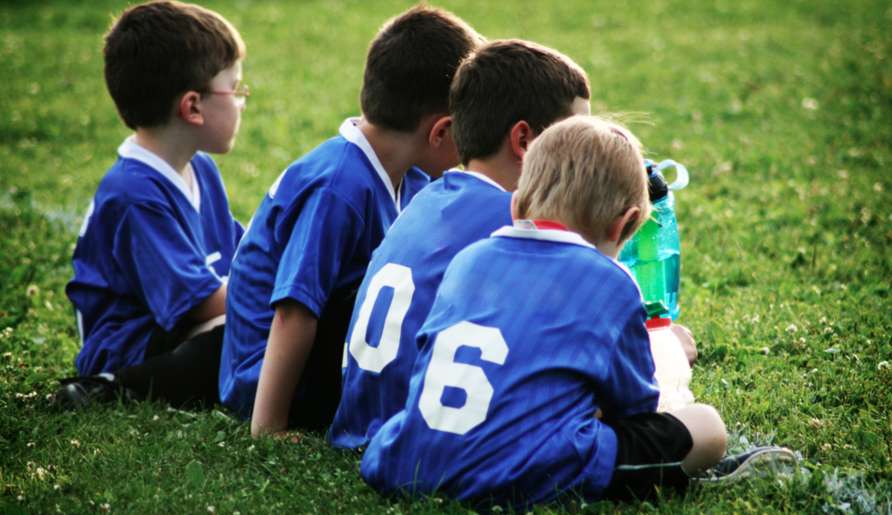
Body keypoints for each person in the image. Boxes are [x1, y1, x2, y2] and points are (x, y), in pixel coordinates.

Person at [360, 115, 730, 506]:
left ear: (516, 205)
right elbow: (634, 411)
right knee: (707, 427)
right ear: (626, 224)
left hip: (409, 460)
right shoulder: (611, 281)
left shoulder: (468, 259)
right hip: (526, 470)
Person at [218, 6, 482, 436]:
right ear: (441, 131)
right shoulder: (338, 188)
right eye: (471, 129)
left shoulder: (410, 173)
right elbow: (294, 310)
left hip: (329, 347)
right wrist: (269, 426)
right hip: (273, 377)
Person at [329, 39, 591, 449]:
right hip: (431, 428)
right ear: (524, 140)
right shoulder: (511, 223)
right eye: (575, 139)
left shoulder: (427, 197)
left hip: (365, 422)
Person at [56, 0, 247, 410]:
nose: (242, 102)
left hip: (184, 325)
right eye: (236, 89)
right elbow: (195, 303)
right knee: (240, 329)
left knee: (257, 326)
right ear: (192, 106)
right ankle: (112, 387)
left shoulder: (201, 169)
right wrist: (275, 290)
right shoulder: (134, 194)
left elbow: (241, 254)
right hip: (133, 344)